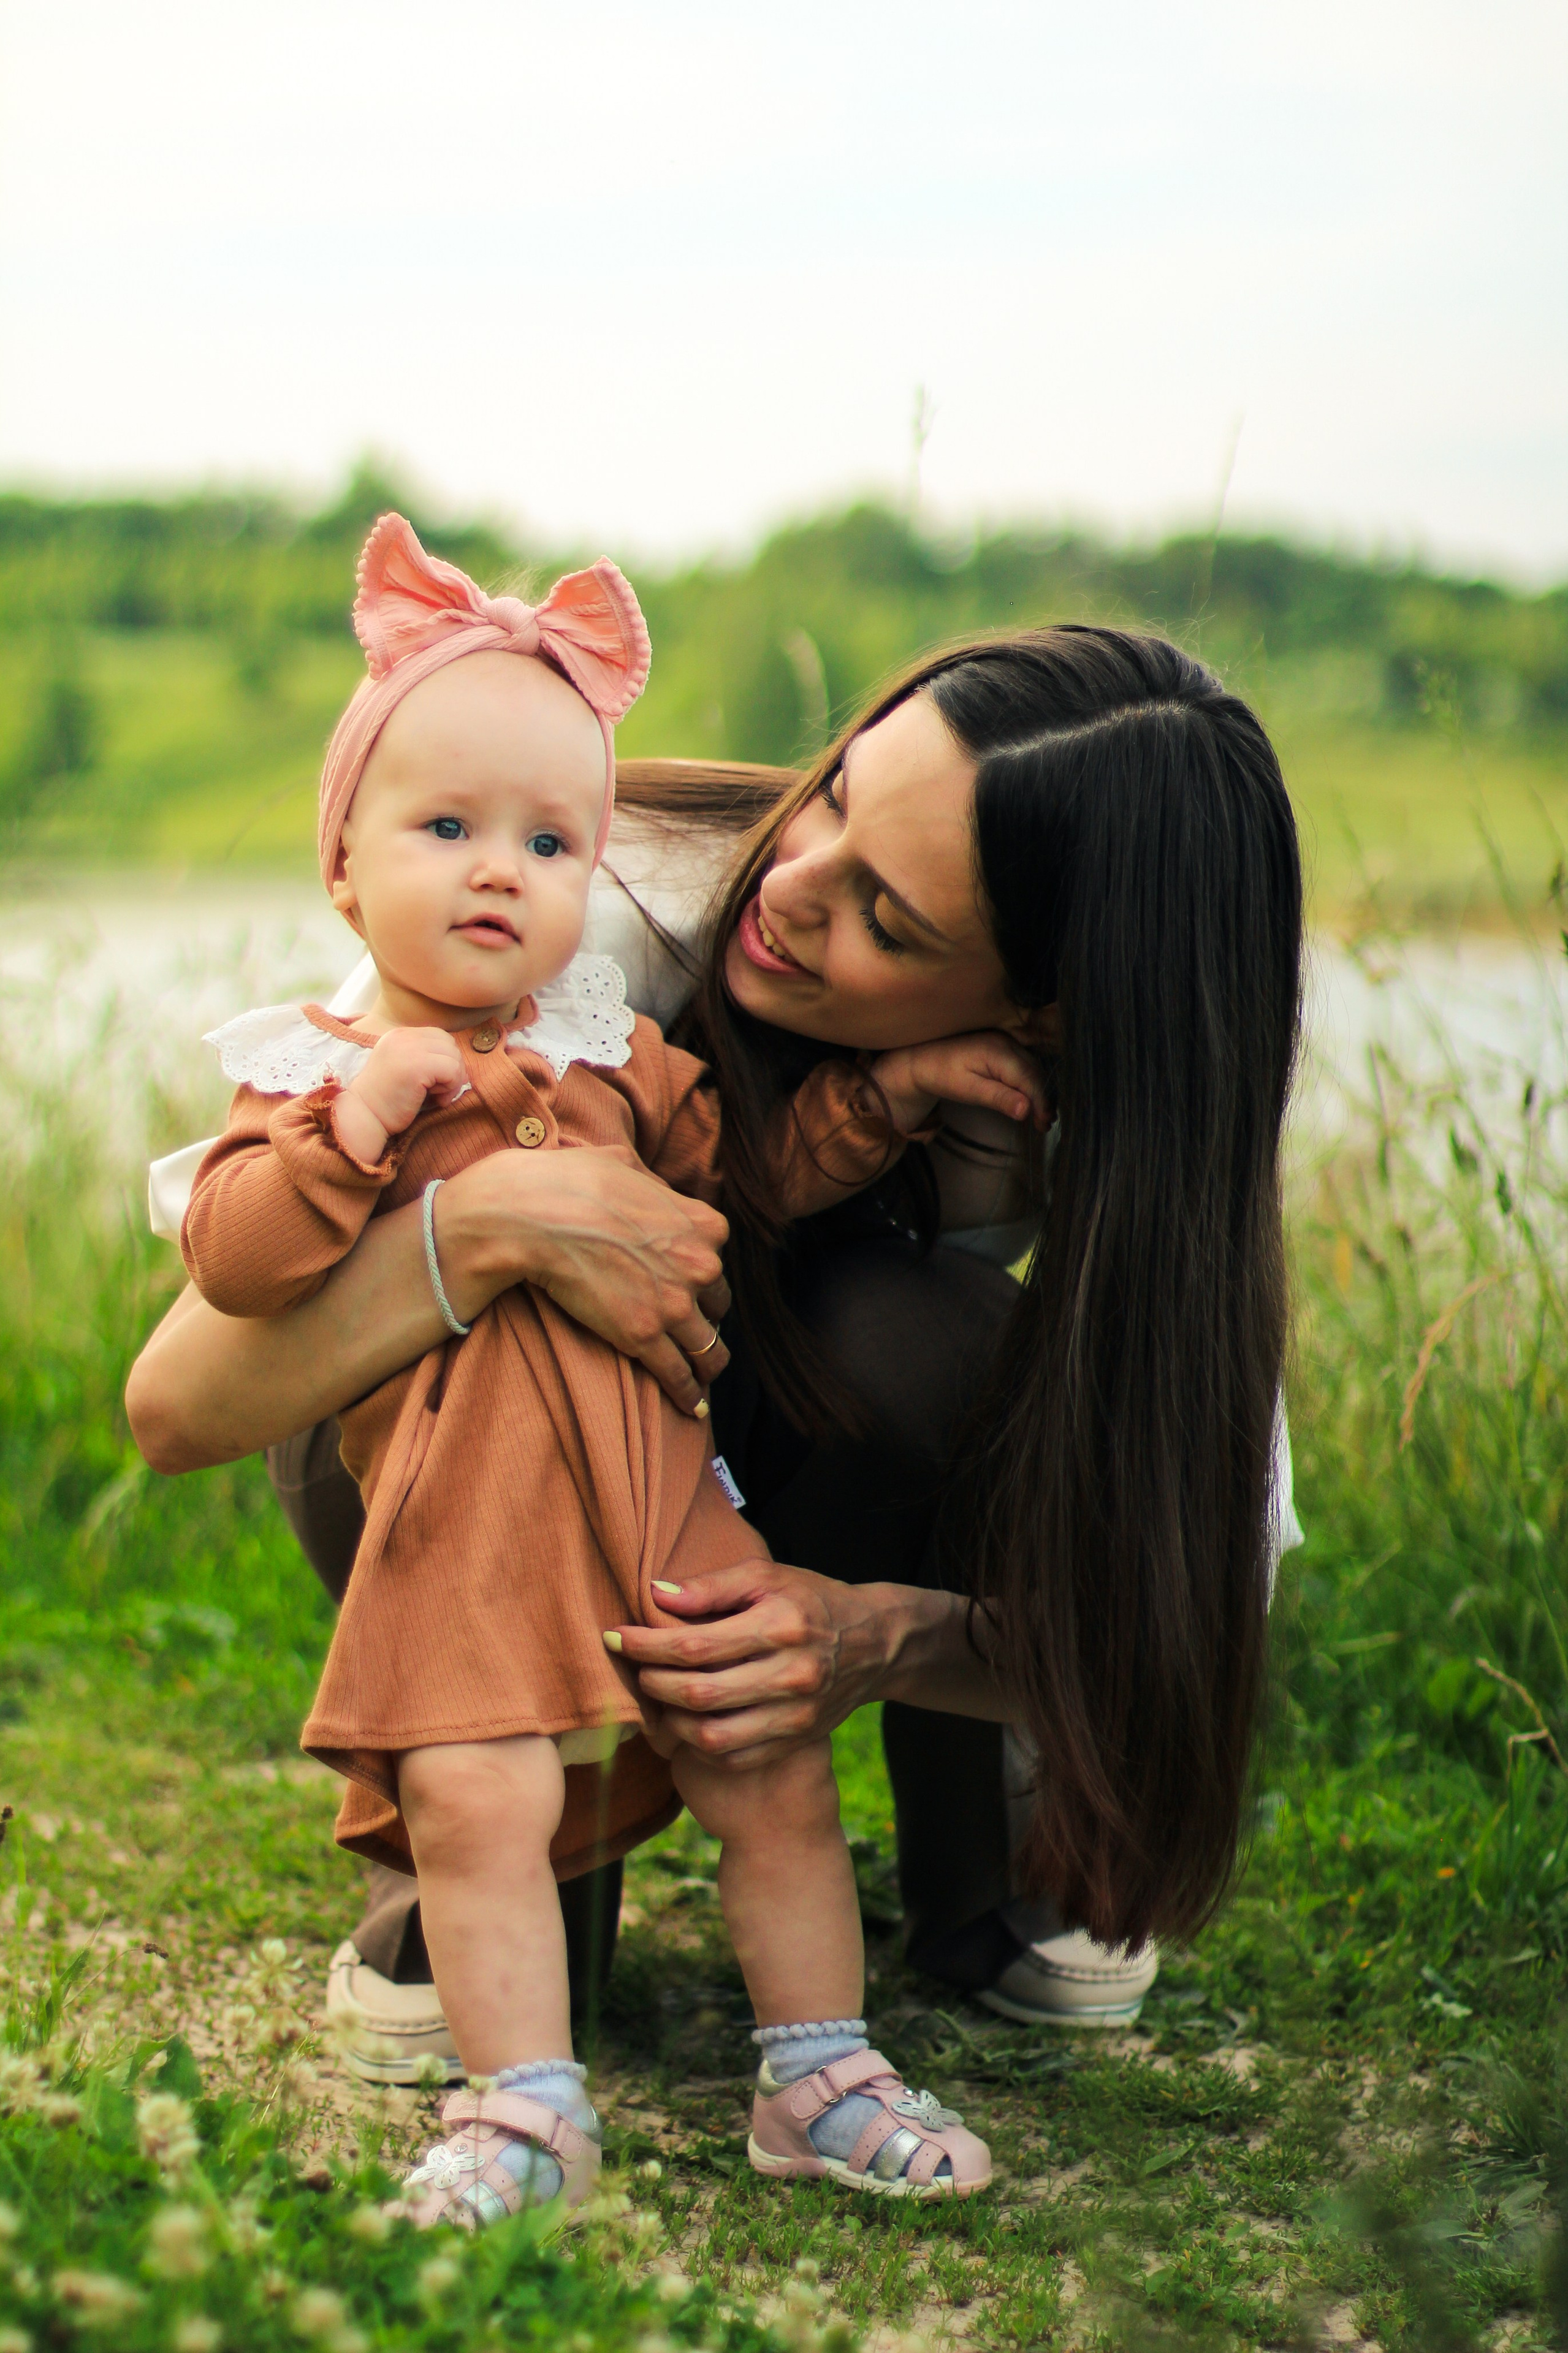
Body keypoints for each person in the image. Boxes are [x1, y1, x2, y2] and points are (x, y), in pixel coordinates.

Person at [129, 617, 1304, 2098]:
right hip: (530, 1439)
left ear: (1044, 1009)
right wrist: (485, 1224)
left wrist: (878, 1634)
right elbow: (184, 1400)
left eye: (889, 917)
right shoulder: (572, 902)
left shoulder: (1140, 1098)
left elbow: (1191, 1599)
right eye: (832, 795)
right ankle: (496, 1790)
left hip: (762, 1425)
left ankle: (990, 1840)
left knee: (918, 1337)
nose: (792, 890)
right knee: (382, 1331)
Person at [175, 514, 1027, 2221]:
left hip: (659, 1483)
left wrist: (880, 1103)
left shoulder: (611, 1045)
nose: (502, 870)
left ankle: (816, 2066)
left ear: (595, 873)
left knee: (763, 1753)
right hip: (460, 1518)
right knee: (478, 1796)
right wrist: (347, 1147)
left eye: (552, 841)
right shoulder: (315, 1066)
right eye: (445, 830)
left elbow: (745, 1202)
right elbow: (232, 1263)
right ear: (343, 871)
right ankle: (523, 2109)